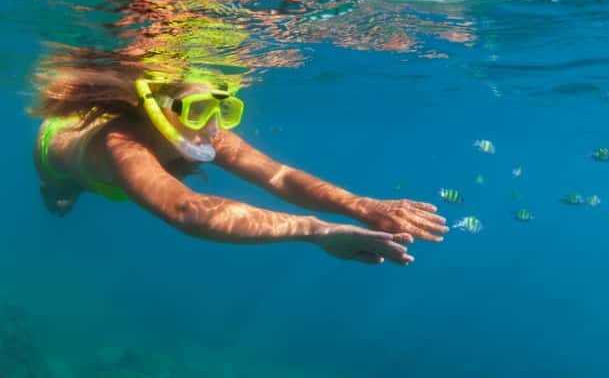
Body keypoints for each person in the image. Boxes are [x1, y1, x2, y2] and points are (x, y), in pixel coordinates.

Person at [30, 64, 448, 265]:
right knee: (65, 190)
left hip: (124, 152)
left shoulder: (200, 130)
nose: (212, 127)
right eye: (198, 109)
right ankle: (59, 190)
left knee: (173, 168)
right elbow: (186, 210)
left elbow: (279, 176)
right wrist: (315, 230)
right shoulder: (121, 143)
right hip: (57, 151)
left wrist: (361, 206)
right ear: (158, 108)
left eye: (222, 110)